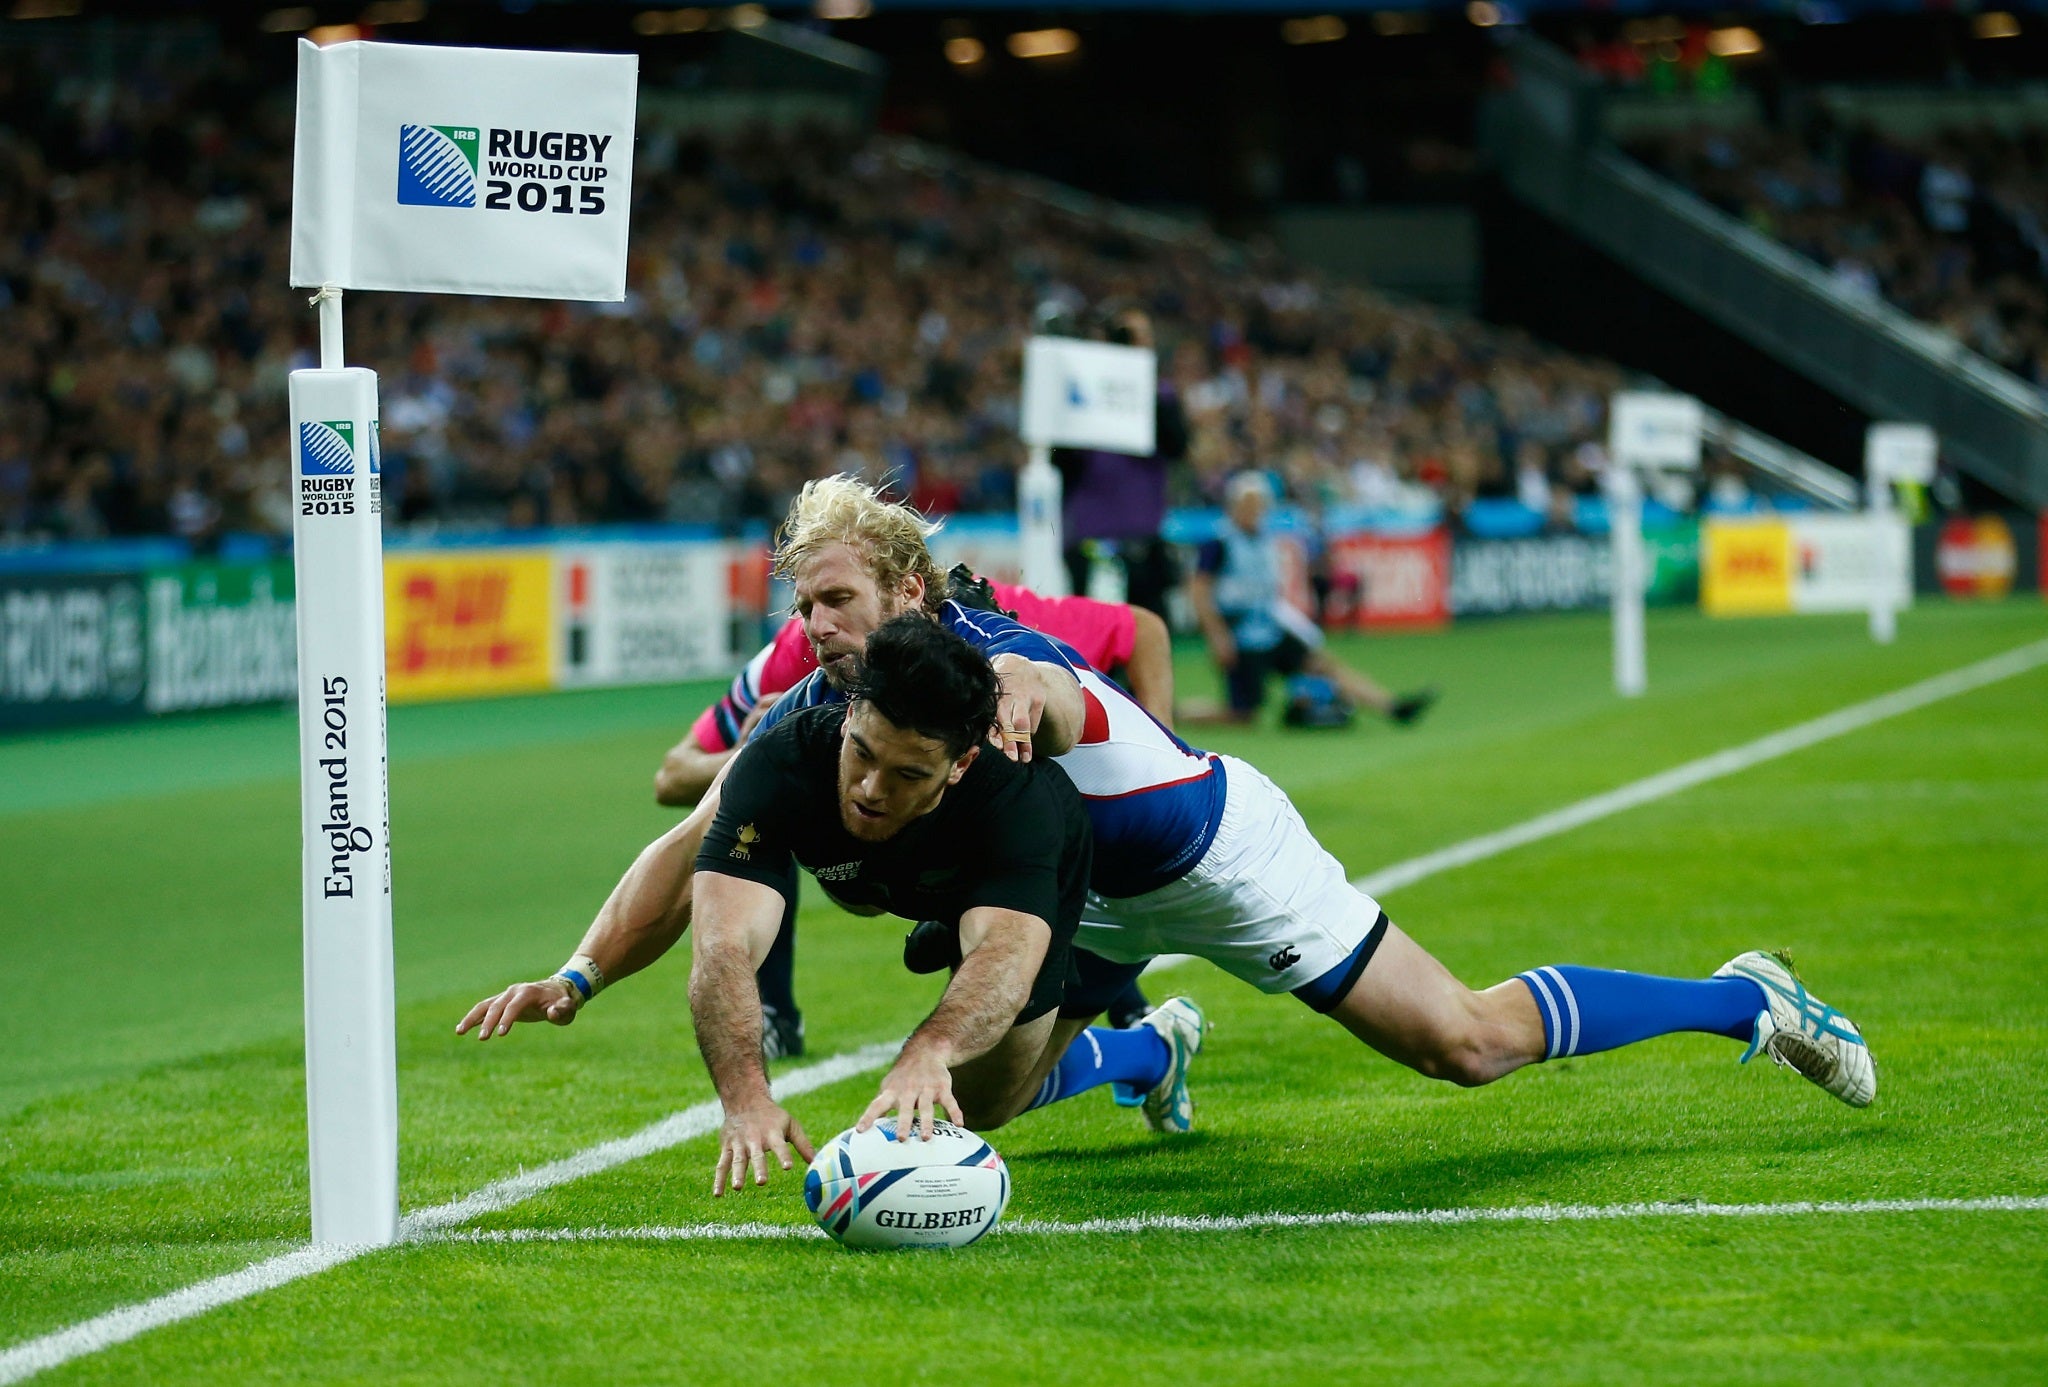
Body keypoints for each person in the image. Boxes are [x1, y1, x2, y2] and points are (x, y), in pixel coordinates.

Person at [460, 475, 1876, 1190]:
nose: (811, 625)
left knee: (1467, 1043)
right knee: (987, 1100)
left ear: (898, 580)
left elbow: (1063, 680)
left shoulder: (990, 655)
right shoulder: (819, 689)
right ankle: (1145, 1043)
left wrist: (1024, 714)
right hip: (1065, 897)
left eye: (833, 600)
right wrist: (579, 973)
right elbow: (699, 831)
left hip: (1212, 858)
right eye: (802, 604)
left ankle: (1739, 997)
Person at [685, 615, 1202, 1192]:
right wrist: (744, 1098)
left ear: (960, 764)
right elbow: (721, 943)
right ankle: (953, 919)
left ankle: (1150, 1049)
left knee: (987, 1103)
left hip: (1026, 886)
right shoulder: (782, 752)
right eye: (862, 753)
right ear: (850, 715)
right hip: (915, 867)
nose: (871, 788)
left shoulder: (1022, 799)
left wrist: (931, 1050)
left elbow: (1009, 949)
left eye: (906, 771)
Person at [652, 569, 1176, 1056]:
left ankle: (1132, 1030)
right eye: (809, 602)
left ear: (906, 592)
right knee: (767, 801)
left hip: (1060, 849)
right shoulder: (801, 650)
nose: (822, 623)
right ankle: (774, 1011)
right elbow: (672, 776)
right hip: (883, 853)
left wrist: (1151, 741)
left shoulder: (1003, 628)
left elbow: (1141, 629)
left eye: (841, 598)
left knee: (1004, 1044)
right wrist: (758, 756)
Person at [1187, 472, 1437, 727]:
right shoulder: (1220, 543)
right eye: (1248, 504)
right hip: (1240, 634)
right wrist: (1218, 635)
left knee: (1322, 665)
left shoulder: (1264, 539)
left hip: (1268, 628)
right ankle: (1176, 714)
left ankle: (1393, 707)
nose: (1255, 510)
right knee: (1241, 715)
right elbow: (1199, 591)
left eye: (1258, 504)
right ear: (1234, 507)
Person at [1054, 304, 1187, 617]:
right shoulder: (1076, 392)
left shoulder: (1160, 394)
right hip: (1091, 534)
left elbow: (1177, 446)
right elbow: (1059, 461)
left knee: (1148, 637)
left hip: (1142, 533)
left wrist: (1139, 385)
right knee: (1097, 643)